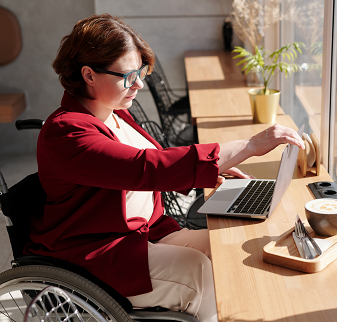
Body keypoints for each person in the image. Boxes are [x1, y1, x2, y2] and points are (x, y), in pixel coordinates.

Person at [24, 14, 304, 322]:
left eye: (141, 71)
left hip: (143, 232)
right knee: (199, 272)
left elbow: (152, 163)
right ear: (88, 75)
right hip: (98, 251)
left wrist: (214, 171)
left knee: (227, 245)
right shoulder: (66, 132)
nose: (139, 84)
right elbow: (145, 168)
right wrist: (249, 146)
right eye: (128, 75)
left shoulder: (113, 112)